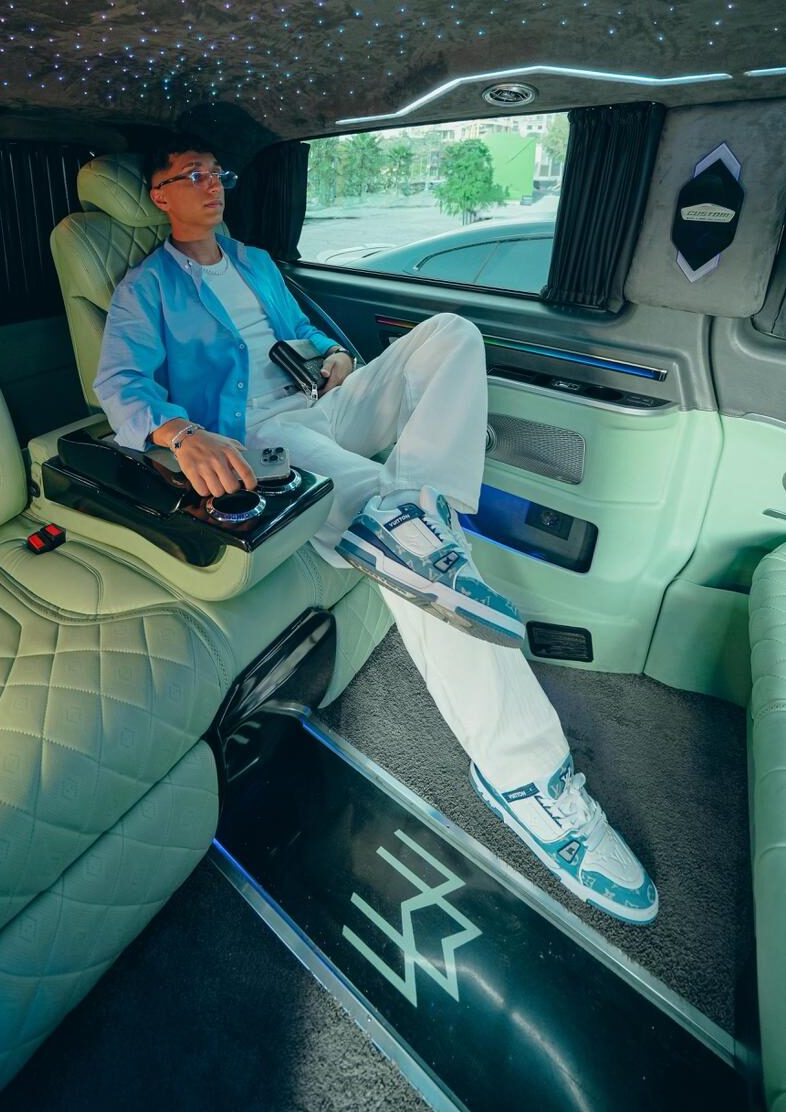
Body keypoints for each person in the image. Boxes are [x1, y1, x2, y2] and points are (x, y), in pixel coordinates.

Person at [94, 134, 658, 925]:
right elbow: (119, 384)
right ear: (160, 196)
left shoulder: (255, 262)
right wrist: (182, 435)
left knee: (453, 333)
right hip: (262, 439)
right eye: (189, 175)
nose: (210, 184)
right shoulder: (147, 288)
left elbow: (307, 332)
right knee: (422, 570)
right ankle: (529, 776)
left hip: (326, 404)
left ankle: (416, 521)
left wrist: (333, 357)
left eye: (216, 172)